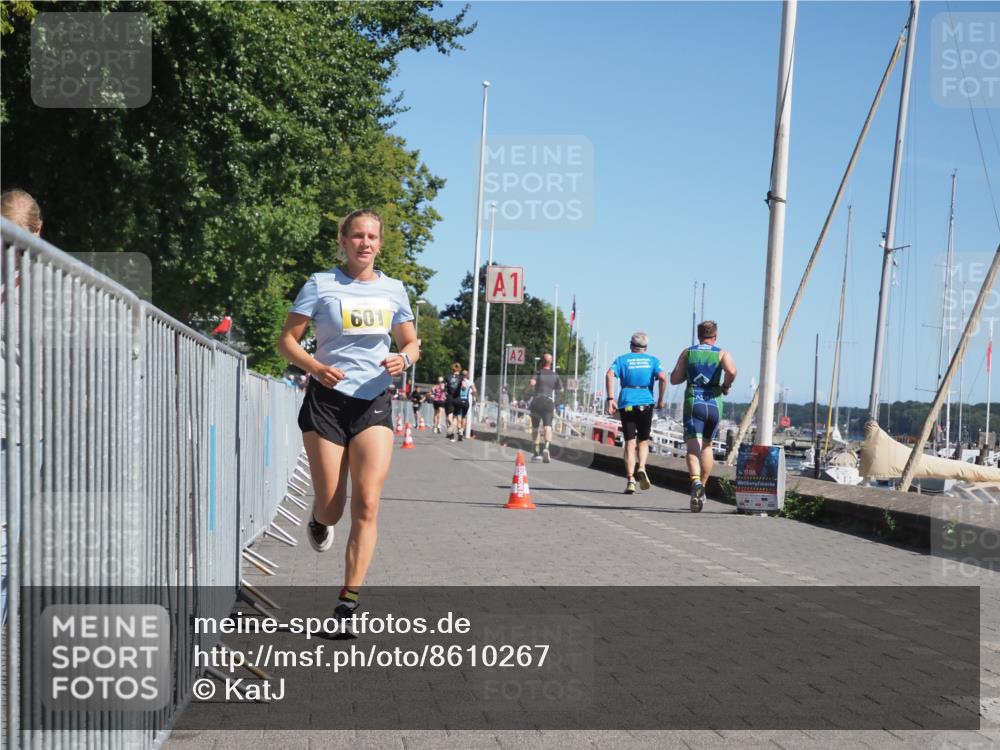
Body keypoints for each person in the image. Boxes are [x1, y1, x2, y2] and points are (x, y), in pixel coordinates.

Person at [277, 208, 418, 622]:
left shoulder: (394, 290)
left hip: (372, 402)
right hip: (326, 401)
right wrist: (315, 367)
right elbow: (288, 341)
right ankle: (320, 520)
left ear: (381, 242)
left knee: (368, 503)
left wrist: (403, 360)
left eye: (372, 236)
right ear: (343, 241)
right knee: (333, 505)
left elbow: (411, 343)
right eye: (357, 236)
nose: (365, 243)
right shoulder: (321, 285)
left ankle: (348, 600)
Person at [1, 188, 43, 629]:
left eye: (15, 240)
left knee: (8, 548)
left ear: (37, 233)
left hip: (19, 432)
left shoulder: (54, 285)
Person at [669, 320, 737, 512]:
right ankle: (703, 488)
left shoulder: (688, 352)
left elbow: (675, 379)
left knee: (693, 448)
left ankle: (696, 482)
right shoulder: (722, 353)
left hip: (694, 401)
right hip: (715, 403)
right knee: (707, 445)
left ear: (698, 335)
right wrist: (726, 386)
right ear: (715, 336)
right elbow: (732, 371)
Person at [605, 332, 667, 494]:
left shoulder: (622, 360)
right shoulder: (653, 360)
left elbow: (609, 374)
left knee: (630, 442)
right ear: (645, 347)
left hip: (627, 403)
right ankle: (642, 467)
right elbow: (662, 377)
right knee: (643, 441)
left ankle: (630, 479)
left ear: (631, 345)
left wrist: (610, 398)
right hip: (645, 402)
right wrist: (661, 399)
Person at [529, 353, 563, 462]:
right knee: (548, 427)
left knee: (535, 428)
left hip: (537, 401)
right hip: (548, 401)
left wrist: (529, 387)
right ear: (551, 363)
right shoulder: (555, 375)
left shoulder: (537, 372)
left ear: (541, 362)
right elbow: (561, 390)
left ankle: (536, 453)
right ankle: (546, 448)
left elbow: (532, 382)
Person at [450, 368, 476, 442]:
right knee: (464, 417)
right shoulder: (470, 382)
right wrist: (472, 394)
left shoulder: (458, 381)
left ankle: (458, 431)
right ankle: (461, 432)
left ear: (462, 375)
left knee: (458, 416)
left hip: (459, 400)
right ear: (467, 375)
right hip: (466, 400)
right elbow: (474, 391)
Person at [444, 362, 463, 440]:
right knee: (455, 416)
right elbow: (464, 386)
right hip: (458, 398)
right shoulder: (461, 378)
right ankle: (453, 432)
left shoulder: (447, 376)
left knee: (449, 416)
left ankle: (451, 426)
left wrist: (443, 388)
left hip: (450, 398)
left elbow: (442, 386)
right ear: (459, 369)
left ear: (452, 369)